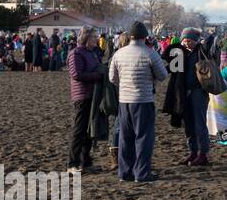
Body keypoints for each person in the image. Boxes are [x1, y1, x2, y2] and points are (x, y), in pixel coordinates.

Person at [109, 21, 168, 183]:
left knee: (125, 137)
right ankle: (141, 173)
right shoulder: (150, 53)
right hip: (143, 100)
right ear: (145, 37)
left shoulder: (119, 54)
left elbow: (112, 78)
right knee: (143, 137)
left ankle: (125, 172)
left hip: (124, 100)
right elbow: (163, 75)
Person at [67, 28, 105, 172]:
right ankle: (72, 164)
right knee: (79, 130)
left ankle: (86, 162)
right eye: (93, 37)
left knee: (89, 130)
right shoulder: (76, 53)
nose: (96, 39)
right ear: (85, 38)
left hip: (93, 96)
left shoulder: (92, 53)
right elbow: (76, 74)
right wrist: (98, 76)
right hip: (82, 96)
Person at [177, 27, 213, 166]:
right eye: (185, 40)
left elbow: (209, 41)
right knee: (188, 124)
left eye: (190, 40)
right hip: (185, 92)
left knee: (199, 123)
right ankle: (192, 152)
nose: (187, 43)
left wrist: (202, 34)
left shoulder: (201, 50)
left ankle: (202, 154)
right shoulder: (181, 54)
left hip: (199, 92)